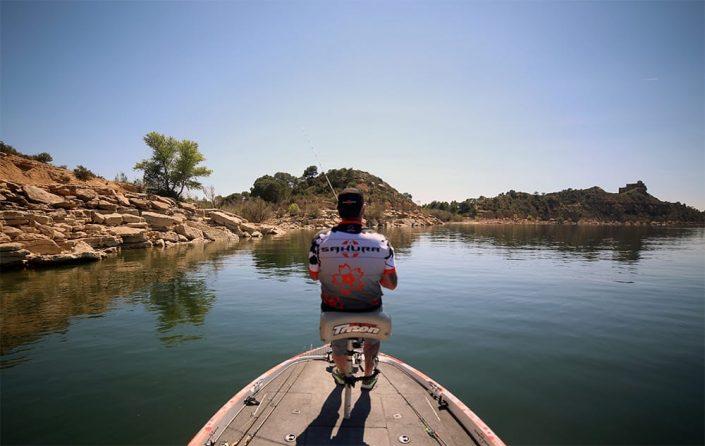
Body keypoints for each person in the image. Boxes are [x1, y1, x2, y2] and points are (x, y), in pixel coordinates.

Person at [308, 188, 398, 390]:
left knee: (338, 342)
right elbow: (391, 284)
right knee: (372, 342)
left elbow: (314, 275)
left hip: (334, 312)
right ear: (363, 209)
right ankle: (368, 377)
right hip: (370, 311)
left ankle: (342, 374)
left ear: (338, 209)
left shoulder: (319, 240)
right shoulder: (382, 241)